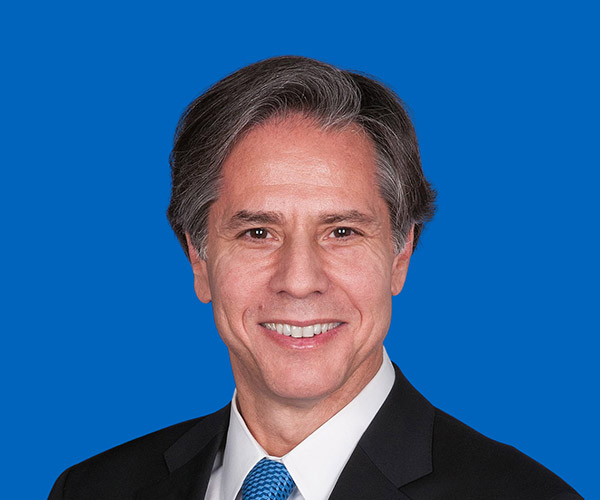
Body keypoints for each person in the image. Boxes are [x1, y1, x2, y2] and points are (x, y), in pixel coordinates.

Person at [48, 56, 582, 500]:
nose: (300, 281)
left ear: (401, 254)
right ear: (199, 260)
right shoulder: (93, 490)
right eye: (258, 232)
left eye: (342, 232)